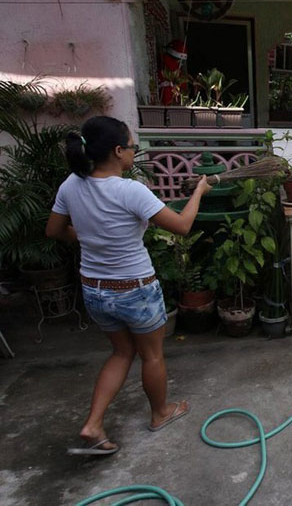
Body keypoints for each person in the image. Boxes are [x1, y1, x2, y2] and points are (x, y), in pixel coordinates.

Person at [45, 116, 212, 456]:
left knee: (121, 352)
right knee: (151, 354)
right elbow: (181, 225)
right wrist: (199, 192)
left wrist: (91, 239)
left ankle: (93, 424)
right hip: (134, 288)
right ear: (118, 151)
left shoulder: (71, 186)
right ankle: (161, 412)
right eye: (133, 147)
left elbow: (54, 231)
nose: (134, 152)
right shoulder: (130, 190)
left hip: (94, 289)